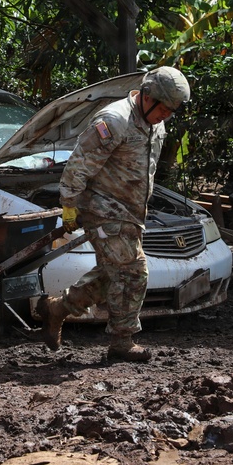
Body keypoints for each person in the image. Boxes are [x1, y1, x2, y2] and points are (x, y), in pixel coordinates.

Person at [39, 66, 191, 362]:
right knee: (134, 271)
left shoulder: (155, 124)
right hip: (102, 208)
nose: (166, 116)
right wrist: (69, 206)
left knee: (114, 275)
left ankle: (56, 309)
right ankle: (122, 341)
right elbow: (78, 166)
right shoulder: (114, 121)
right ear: (147, 97)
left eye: (172, 111)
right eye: (164, 109)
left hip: (131, 212)